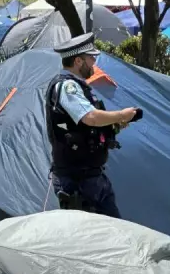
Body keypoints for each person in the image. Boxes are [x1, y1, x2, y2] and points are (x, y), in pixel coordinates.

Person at [45, 32, 138, 218]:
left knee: (113, 228)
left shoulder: (80, 87)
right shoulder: (67, 87)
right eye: (91, 58)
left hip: (92, 176)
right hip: (76, 180)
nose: (94, 63)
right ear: (78, 61)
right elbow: (90, 118)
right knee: (89, 233)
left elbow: (87, 126)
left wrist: (114, 124)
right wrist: (121, 114)